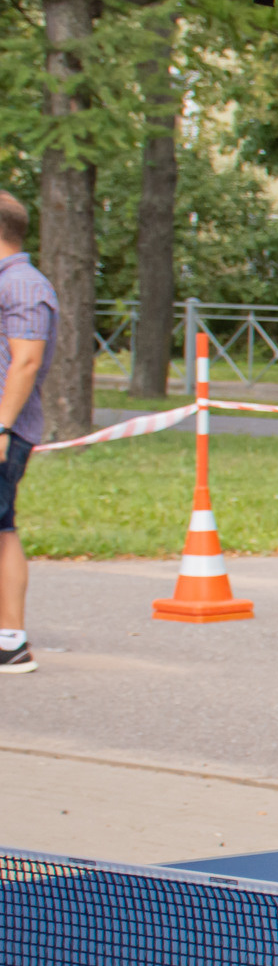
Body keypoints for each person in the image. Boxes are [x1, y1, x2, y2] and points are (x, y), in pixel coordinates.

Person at [0, 192, 55, 675]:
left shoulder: (21, 285)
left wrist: (1, 427)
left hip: (3, 429)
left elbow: (27, 361)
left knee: (1, 530)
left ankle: (11, 642)